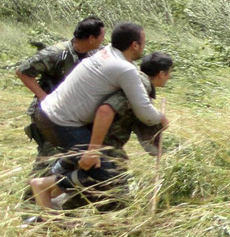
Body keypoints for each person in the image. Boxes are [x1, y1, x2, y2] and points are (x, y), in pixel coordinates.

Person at [29, 53, 173, 212]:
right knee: (113, 189)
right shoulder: (138, 85)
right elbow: (106, 110)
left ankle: (49, 206)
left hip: (86, 137)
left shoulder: (129, 79)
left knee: (84, 176)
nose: (169, 77)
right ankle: (48, 192)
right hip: (102, 143)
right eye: (169, 73)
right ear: (161, 74)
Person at [33, 22, 167, 159]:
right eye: (143, 42)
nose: (144, 47)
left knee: (84, 163)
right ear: (135, 45)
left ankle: (50, 177)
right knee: (107, 168)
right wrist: (161, 118)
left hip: (45, 112)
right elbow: (144, 111)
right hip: (60, 122)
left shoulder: (105, 52)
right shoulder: (125, 69)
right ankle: (50, 180)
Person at [15, 16, 106, 175]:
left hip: (73, 115)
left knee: (69, 158)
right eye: (102, 35)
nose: (104, 39)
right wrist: (44, 97)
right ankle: (32, 197)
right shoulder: (56, 53)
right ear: (91, 38)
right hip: (49, 115)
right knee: (50, 158)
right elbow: (22, 71)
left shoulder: (95, 53)